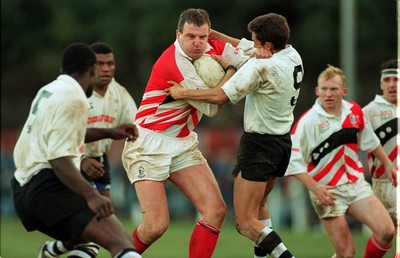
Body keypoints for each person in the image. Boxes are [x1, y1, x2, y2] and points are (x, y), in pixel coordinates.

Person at [167, 12, 302, 258]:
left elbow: (220, 96)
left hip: (259, 146)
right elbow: (242, 45)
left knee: (245, 223)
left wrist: (182, 92)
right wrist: (212, 35)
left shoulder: (261, 67)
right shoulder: (291, 55)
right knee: (260, 207)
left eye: (256, 41)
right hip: (281, 143)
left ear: (267, 46)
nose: (250, 44)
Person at [121, 8, 253, 257]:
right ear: (178, 34)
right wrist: (230, 72)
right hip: (148, 144)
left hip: (181, 141)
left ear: (209, 33)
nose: (197, 43)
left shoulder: (213, 45)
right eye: (191, 36)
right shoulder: (174, 62)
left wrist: (232, 53)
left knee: (215, 210)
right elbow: (213, 106)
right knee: (155, 226)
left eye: (203, 37)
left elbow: (251, 61)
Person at [11, 42, 142, 258]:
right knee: (122, 242)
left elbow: (64, 133)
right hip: (48, 187)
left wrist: (109, 132)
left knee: (86, 243)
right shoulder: (75, 99)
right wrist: (91, 196)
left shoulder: (49, 90)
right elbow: (59, 159)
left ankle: (52, 250)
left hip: (22, 188)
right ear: (92, 70)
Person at [284, 64, 397, 258]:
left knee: (387, 232)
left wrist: (387, 163)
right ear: (317, 91)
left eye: (334, 89)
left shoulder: (354, 111)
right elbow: (292, 163)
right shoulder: (307, 122)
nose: (328, 94)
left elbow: (370, 141)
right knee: (346, 253)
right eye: (325, 89)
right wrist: (315, 188)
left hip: (356, 185)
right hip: (327, 191)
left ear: (343, 91)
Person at [362, 59, 398, 253]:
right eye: (388, 79)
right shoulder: (369, 112)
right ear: (381, 83)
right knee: (383, 237)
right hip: (382, 185)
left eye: (396, 79)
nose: (392, 84)